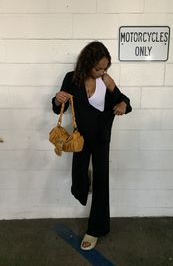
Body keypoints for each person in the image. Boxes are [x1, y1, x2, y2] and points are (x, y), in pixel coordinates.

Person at [52, 41, 132, 250]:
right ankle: (83, 184)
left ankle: (95, 229)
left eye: (105, 68)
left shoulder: (106, 80)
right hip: (79, 138)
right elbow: (57, 107)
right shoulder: (72, 79)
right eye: (98, 68)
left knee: (101, 182)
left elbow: (124, 101)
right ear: (86, 63)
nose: (101, 72)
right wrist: (58, 98)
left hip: (101, 138)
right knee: (79, 177)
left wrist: (122, 104)